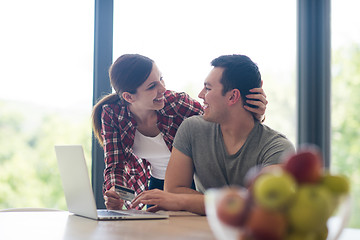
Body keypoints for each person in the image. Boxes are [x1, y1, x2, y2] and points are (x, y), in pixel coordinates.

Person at [92, 54, 268, 210]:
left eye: (161, 79)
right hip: (155, 183)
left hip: (189, 182)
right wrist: (115, 192)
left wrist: (253, 114)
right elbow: (115, 165)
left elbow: (221, 118)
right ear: (129, 97)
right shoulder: (112, 114)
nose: (162, 89)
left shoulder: (176, 104)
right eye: (152, 86)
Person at [131, 54, 295, 215]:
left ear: (232, 96)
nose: (201, 95)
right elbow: (173, 190)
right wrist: (225, 203)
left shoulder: (278, 148)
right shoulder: (192, 128)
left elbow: (251, 205)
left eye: (208, 88)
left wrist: (184, 201)